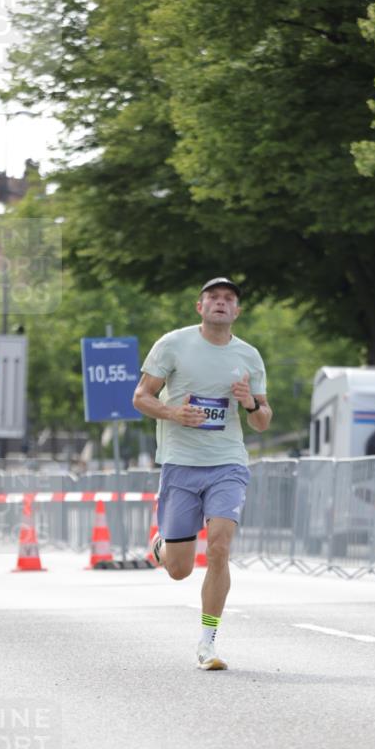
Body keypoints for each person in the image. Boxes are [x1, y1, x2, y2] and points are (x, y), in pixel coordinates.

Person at [133, 277, 272, 670]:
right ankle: (164, 545)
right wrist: (174, 412)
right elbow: (140, 397)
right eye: (213, 297)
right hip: (180, 462)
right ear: (200, 307)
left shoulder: (248, 356)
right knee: (178, 569)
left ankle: (207, 642)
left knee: (219, 547)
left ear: (237, 311)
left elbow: (263, 421)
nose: (221, 303)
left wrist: (249, 405)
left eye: (229, 299)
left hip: (227, 462)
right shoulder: (173, 344)